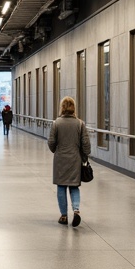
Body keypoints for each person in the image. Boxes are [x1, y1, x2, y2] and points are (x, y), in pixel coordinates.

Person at [48, 95, 92, 227]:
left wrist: (57, 149)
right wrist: (84, 156)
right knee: (74, 186)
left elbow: (51, 142)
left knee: (61, 187)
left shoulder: (56, 123)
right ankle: (76, 210)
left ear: (62, 108)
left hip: (60, 159)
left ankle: (63, 216)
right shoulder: (80, 123)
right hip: (75, 159)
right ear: (74, 108)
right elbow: (86, 144)